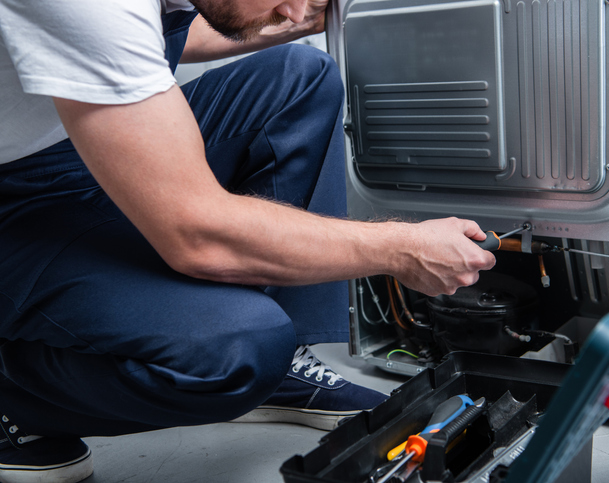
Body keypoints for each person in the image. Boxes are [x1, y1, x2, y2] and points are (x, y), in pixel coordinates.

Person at [0, 0, 496, 481]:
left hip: (73, 152)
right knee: (237, 353)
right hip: (16, 204)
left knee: (299, 76)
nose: (301, 12)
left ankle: (284, 369)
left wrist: (285, 24)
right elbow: (196, 236)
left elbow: (159, 34)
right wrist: (399, 248)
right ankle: (14, 397)